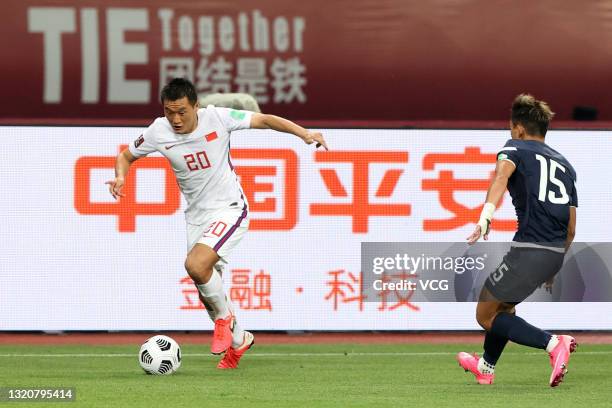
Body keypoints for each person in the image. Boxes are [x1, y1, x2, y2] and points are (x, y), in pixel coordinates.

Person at [106, 78, 328, 369]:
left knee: (196, 265)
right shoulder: (158, 131)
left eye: (182, 111)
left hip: (229, 208)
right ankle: (240, 340)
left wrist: (304, 133)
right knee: (206, 289)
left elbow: (264, 119)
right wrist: (121, 176)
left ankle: (225, 320)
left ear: (196, 106)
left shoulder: (218, 118)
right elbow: (126, 156)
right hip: (196, 217)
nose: (175, 118)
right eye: (170, 111)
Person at [457, 94, 578, 387]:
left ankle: (553, 343)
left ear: (519, 129)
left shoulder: (515, 148)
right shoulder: (565, 165)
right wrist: (552, 266)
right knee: (505, 308)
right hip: (553, 252)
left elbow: (500, 178)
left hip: (528, 250)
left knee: (485, 314)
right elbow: (571, 227)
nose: (510, 133)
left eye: (511, 128)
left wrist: (485, 216)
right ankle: (485, 366)